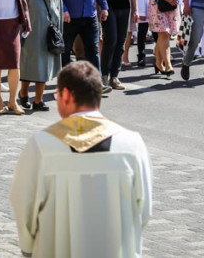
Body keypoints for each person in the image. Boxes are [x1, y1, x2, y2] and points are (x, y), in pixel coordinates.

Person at [9, 61, 152, 258]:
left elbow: (24, 204)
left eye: (56, 95)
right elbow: (143, 210)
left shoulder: (42, 145)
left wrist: (28, 248)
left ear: (66, 95)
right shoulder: (131, 145)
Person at [19, 0, 63, 111]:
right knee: (29, 66)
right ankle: (23, 93)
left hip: (48, 36)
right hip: (31, 35)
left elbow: (60, 17)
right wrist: (20, 35)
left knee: (44, 68)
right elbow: (20, 13)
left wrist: (59, 36)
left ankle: (38, 100)